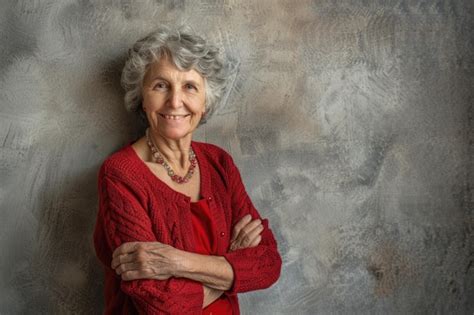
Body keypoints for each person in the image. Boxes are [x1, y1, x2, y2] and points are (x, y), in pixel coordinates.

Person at [93, 26, 282, 315]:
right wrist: (229, 264)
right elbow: (162, 306)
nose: (175, 101)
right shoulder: (120, 174)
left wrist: (175, 261)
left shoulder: (219, 163)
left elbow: (267, 263)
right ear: (142, 97)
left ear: (205, 102)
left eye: (190, 87)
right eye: (160, 85)